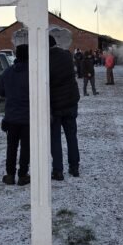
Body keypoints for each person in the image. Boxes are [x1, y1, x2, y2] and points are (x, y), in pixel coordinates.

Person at [0, 43, 30, 186]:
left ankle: (10, 174)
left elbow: (0, 92)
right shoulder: (33, 72)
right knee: (26, 147)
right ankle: (23, 175)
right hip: (28, 117)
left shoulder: (7, 72)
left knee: (11, 147)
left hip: (11, 116)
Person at [49, 35, 81, 179]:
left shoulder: (45, 60)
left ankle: (58, 170)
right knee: (71, 137)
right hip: (70, 102)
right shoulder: (67, 56)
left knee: (55, 139)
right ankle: (74, 167)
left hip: (55, 105)